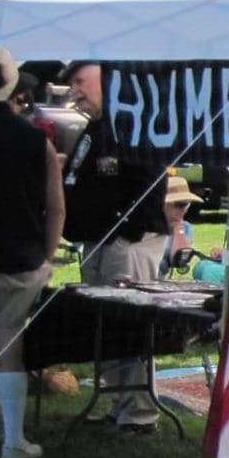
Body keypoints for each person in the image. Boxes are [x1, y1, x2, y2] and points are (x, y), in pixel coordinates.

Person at [60, 62, 172, 433]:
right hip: (98, 240)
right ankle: (119, 402)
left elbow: (149, 180)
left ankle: (139, 414)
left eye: (80, 81)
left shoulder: (133, 122)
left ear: (106, 81)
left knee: (129, 322)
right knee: (106, 325)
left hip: (128, 241)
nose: (74, 90)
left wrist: (126, 231)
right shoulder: (93, 129)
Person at [0, 48, 65, 458]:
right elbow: (56, 208)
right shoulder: (35, 141)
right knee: (8, 345)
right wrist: (45, 257)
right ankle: (13, 440)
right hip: (18, 262)